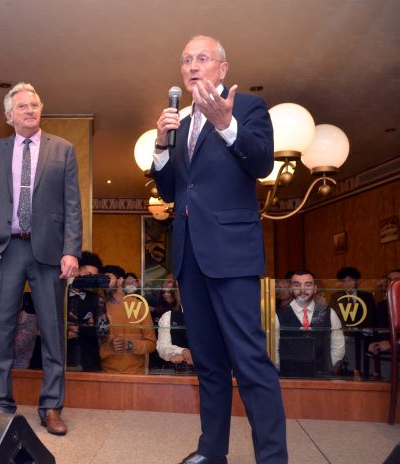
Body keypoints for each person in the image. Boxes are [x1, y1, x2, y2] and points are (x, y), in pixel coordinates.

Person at [151, 35, 287, 463]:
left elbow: (263, 164)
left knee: (250, 362)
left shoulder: (247, 109)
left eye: (202, 58)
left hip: (232, 252)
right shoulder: (180, 122)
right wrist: (159, 145)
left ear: (222, 69)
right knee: (208, 362)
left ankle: (272, 458)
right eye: (186, 59)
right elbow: (173, 189)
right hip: (190, 256)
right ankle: (212, 452)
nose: (193, 65)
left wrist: (228, 125)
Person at [0, 82, 82, 436]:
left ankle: (52, 407)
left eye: (35, 104)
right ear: (9, 115)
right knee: (0, 329)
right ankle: (1, 402)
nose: (30, 110)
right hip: (5, 249)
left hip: (49, 252)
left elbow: (72, 205)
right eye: (22, 106)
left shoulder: (64, 150)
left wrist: (72, 249)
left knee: (53, 331)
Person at [275, 270, 345, 377]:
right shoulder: (278, 316)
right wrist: (284, 372)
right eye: (297, 285)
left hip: (322, 378)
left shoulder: (329, 313)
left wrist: (327, 368)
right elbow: (274, 350)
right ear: (291, 289)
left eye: (307, 285)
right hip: (289, 378)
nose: (302, 290)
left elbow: (338, 347)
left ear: (315, 288)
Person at [99, 265, 156, 374]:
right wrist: (110, 346)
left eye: (108, 278)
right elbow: (95, 346)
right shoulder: (100, 307)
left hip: (136, 374)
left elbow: (151, 344)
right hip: (106, 374)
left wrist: (130, 345)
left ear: (120, 281)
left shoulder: (139, 306)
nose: (104, 282)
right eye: (102, 279)